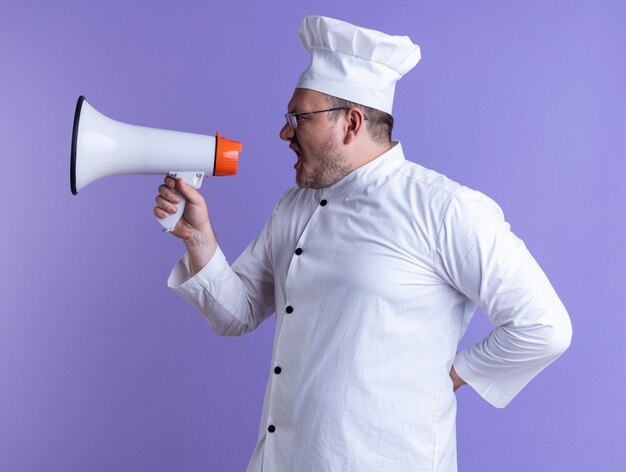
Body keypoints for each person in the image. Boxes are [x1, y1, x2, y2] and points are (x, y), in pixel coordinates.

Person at [155, 16, 572, 472]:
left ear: (351, 123)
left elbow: (544, 327)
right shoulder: (295, 206)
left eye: (298, 118)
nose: (284, 133)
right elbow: (236, 315)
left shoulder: (445, 208)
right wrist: (198, 236)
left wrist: (452, 376)